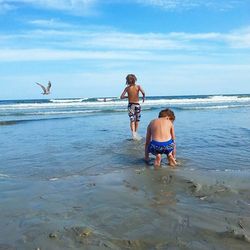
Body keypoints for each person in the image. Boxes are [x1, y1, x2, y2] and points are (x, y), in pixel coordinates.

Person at [120, 74, 145, 140]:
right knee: (137, 119)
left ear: (127, 81)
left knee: (132, 120)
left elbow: (121, 97)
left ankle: (133, 134)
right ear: (135, 80)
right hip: (137, 104)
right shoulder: (138, 86)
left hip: (130, 105)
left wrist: (128, 96)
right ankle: (136, 133)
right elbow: (143, 93)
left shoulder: (127, 88)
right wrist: (143, 98)